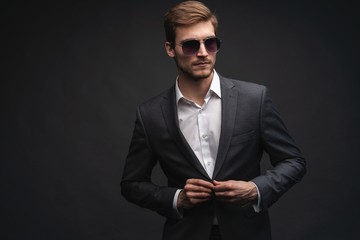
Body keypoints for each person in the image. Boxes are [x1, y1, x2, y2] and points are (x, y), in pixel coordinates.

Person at [121, 1, 306, 239]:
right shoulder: (150, 115)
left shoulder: (254, 99)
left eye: (210, 43)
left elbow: (294, 160)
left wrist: (256, 189)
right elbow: (131, 184)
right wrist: (177, 198)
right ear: (170, 49)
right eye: (190, 45)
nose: (202, 52)